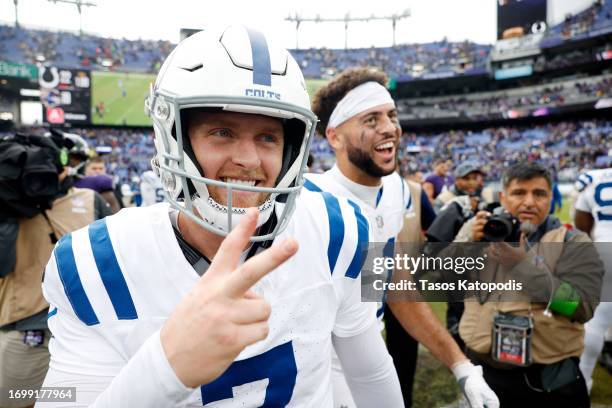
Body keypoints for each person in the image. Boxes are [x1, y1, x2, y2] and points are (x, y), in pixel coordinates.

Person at [38, 26, 404, 407]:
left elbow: (369, 371)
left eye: (268, 137)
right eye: (222, 131)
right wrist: (166, 365)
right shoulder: (97, 266)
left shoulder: (338, 227)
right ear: (174, 138)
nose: (247, 160)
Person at [306, 67, 498, 408]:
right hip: (317, 368)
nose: (389, 128)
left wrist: (461, 365)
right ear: (334, 136)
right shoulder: (313, 202)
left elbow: (396, 285)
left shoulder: (395, 188)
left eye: (391, 115)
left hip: (370, 349)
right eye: (370, 119)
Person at [452, 162, 603, 407]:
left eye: (539, 194)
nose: (530, 202)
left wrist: (522, 266)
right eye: (519, 193)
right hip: (484, 372)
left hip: (549, 380)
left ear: (551, 198)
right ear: (503, 196)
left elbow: (582, 307)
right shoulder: (482, 234)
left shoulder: (572, 241)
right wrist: (466, 241)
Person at [0, 132, 112, 408]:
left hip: (85, 328)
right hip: (27, 327)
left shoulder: (90, 200)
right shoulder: (9, 206)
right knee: (14, 400)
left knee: (74, 400)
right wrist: (9, 212)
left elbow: (113, 261)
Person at [574, 167, 612, 392]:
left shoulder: (593, 177)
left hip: (605, 252)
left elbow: (581, 222)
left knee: (596, 321)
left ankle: (584, 380)